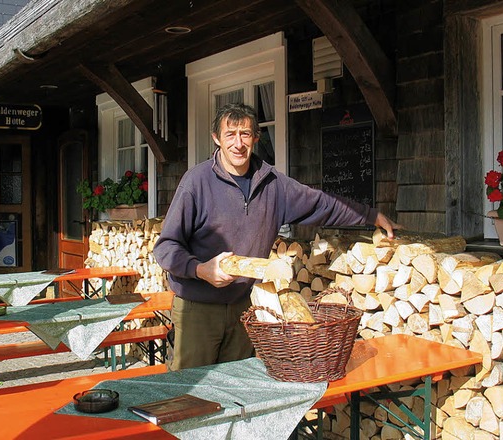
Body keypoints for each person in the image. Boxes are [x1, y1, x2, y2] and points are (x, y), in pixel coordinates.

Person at [153, 103, 397, 371]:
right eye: (230, 134)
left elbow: (321, 204)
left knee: (237, 389)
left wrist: (371, 216)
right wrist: (200, 269)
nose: (238, 143)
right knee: (190, 394)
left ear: (256, 138)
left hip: (245, 306)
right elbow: (166, 247)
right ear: (216, 139)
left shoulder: (272, 184)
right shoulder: (196, 181)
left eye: (245, 134)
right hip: (197, 309)